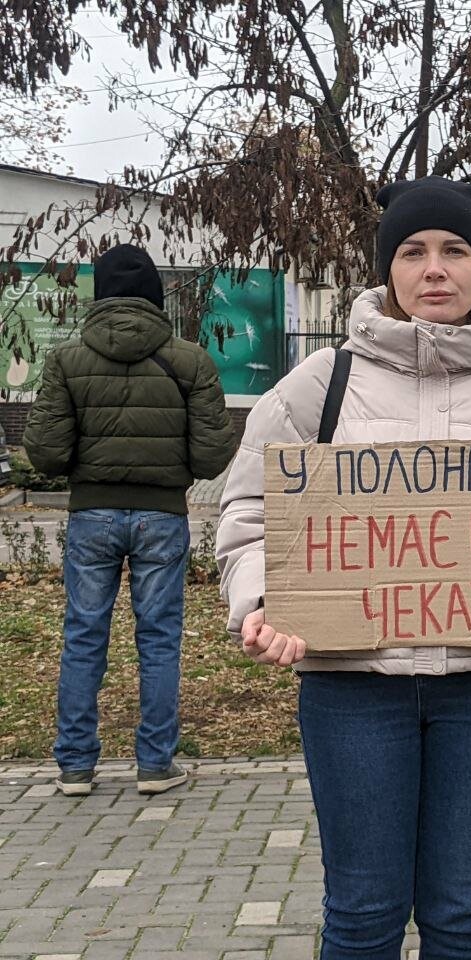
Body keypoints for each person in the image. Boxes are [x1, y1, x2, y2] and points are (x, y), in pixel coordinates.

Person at [216, 176, 471, 960]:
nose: (435, 267)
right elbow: (246, 513)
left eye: (455, 249)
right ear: (389, 271)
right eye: (413, 250)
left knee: (466, 917)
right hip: (352, 687)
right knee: (363, 915)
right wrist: (263, 601)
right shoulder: (319, 386)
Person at [23, 242, 235, 797]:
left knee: (83, 636)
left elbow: (44, 452)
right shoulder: (189, 360)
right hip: (162, 515)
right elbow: (214, 455)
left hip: (91, 514)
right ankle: (155, 764)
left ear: (99, 294)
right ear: (154, 297)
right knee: (160, 639)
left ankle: (73, 766)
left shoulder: (66, 360)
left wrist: (87, 466)